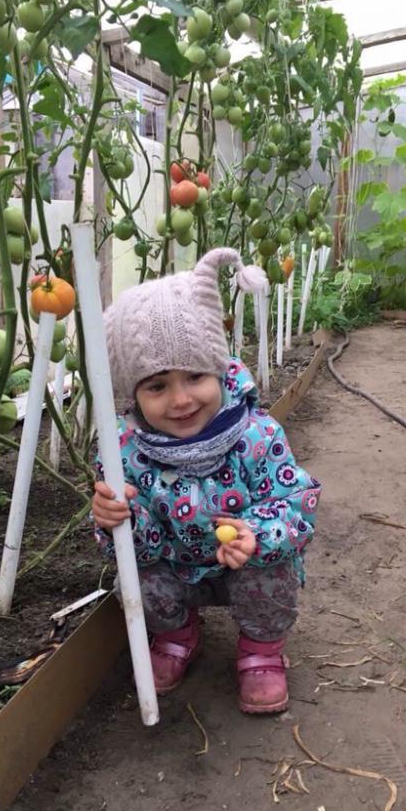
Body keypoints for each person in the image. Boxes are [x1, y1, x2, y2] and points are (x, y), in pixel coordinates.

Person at [91, 247, 321, 714]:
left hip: (246, 567)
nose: (180, 400)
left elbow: (296, 502)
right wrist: (121, 520)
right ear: (133, 394)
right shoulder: (125, 452)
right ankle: (177, 635)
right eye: (156, 386)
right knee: (138, 579)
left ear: (218, 368)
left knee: (270, 575)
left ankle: (261, 650)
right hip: (177, 568)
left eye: (195, 376)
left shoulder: (257, 436)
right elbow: (140, 546)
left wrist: (257, 535)